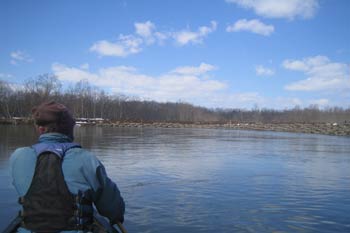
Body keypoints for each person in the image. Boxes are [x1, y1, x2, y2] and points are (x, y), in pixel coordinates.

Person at [10, 101, 125, 232]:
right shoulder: (87, 159)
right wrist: (116, 217)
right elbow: (111, 206)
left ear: (40, 129)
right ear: (70, 129)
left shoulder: (17, 156)